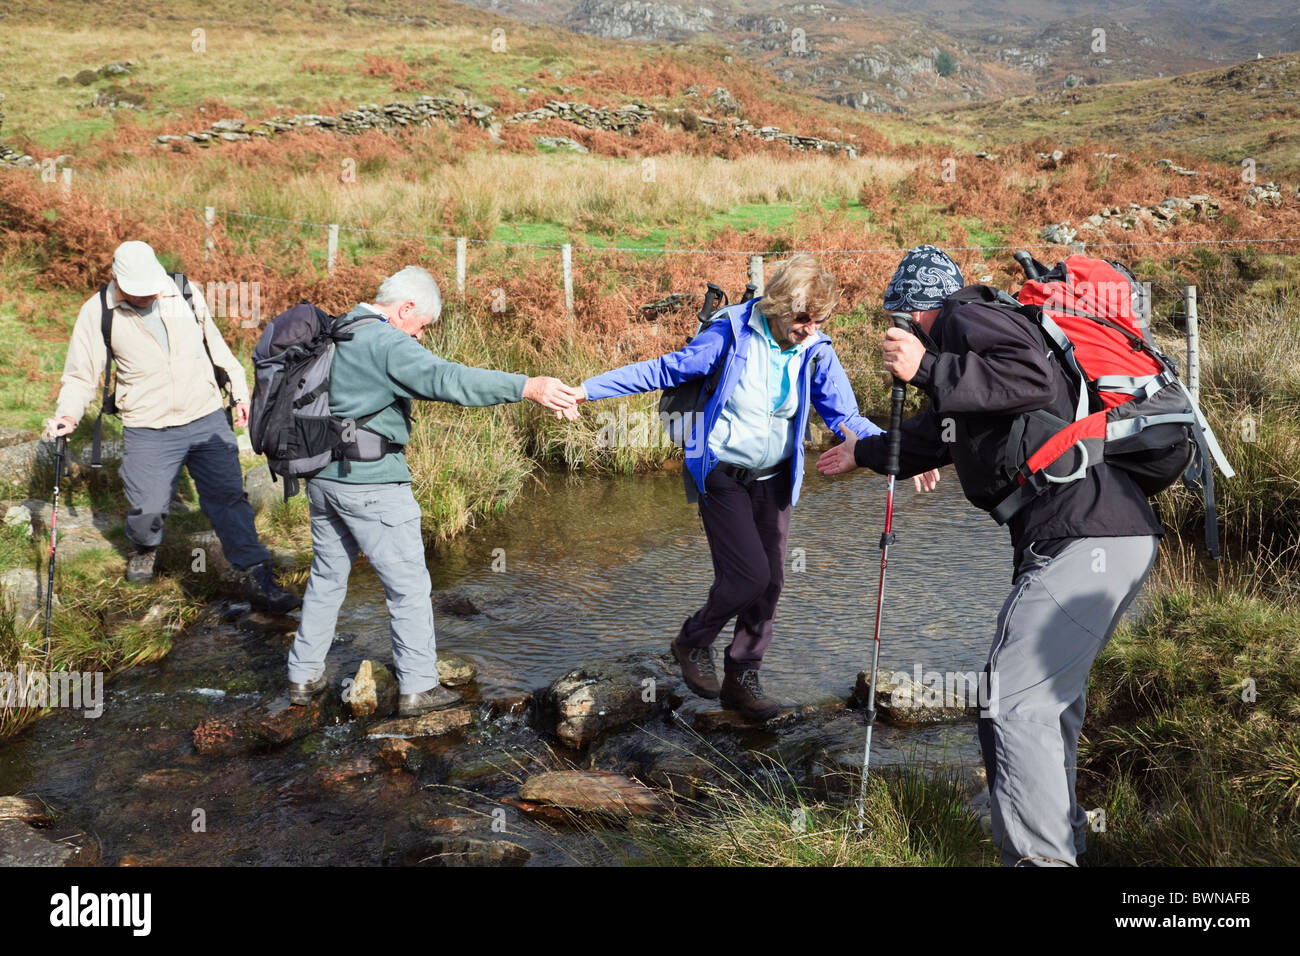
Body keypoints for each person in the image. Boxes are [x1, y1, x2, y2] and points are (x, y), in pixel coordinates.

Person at [817, 245, 1162, 866]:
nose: (893, 330)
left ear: (912, 308)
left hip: (1086, 536)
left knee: (1010, 700)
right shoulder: (964, 351)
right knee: (1043, 703)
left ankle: (1042, 860)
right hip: (1099, 534)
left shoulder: (965, 318)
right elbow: (938, 436)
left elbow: (1030, 378)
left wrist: (925, 368)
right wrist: (862, 454)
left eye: (897, 318)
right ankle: (1063, 844)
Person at [577, 254, 939, 720]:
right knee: (748, 576)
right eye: (804, 318)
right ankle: (692, 640)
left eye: (821, 320)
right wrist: (587, 390)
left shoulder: (815, 349)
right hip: (721, 474)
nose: (811, 328)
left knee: (771, 584)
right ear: (778, 305)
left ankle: (742, 679)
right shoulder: (731, 333)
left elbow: (844, 418)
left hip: (775, 478)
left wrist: (900, 455)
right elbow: (666, 370)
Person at [286, 265, 581, 717]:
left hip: (323, 480)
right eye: (421, 326)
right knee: (408, 588)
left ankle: (302, 678)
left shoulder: (337, 327)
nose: (420, 337)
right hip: (373, 484)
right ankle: (419, 687)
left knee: (327, 580)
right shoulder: (385, 342)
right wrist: (528, 386)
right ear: (405, 308)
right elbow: (449, 380)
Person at [47, 240, 299, 612]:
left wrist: (240, 393)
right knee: (147, 506)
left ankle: (258, 577)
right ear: (116, 279)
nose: (148, 295)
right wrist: (68, 415)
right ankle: (145, 549)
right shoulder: (98, 311)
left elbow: (215, 346)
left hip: (206, 413)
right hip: (148, 424)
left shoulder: (181, 290)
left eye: (151, 287)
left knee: (229, 499)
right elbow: (81, 375)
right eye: (138, 291)